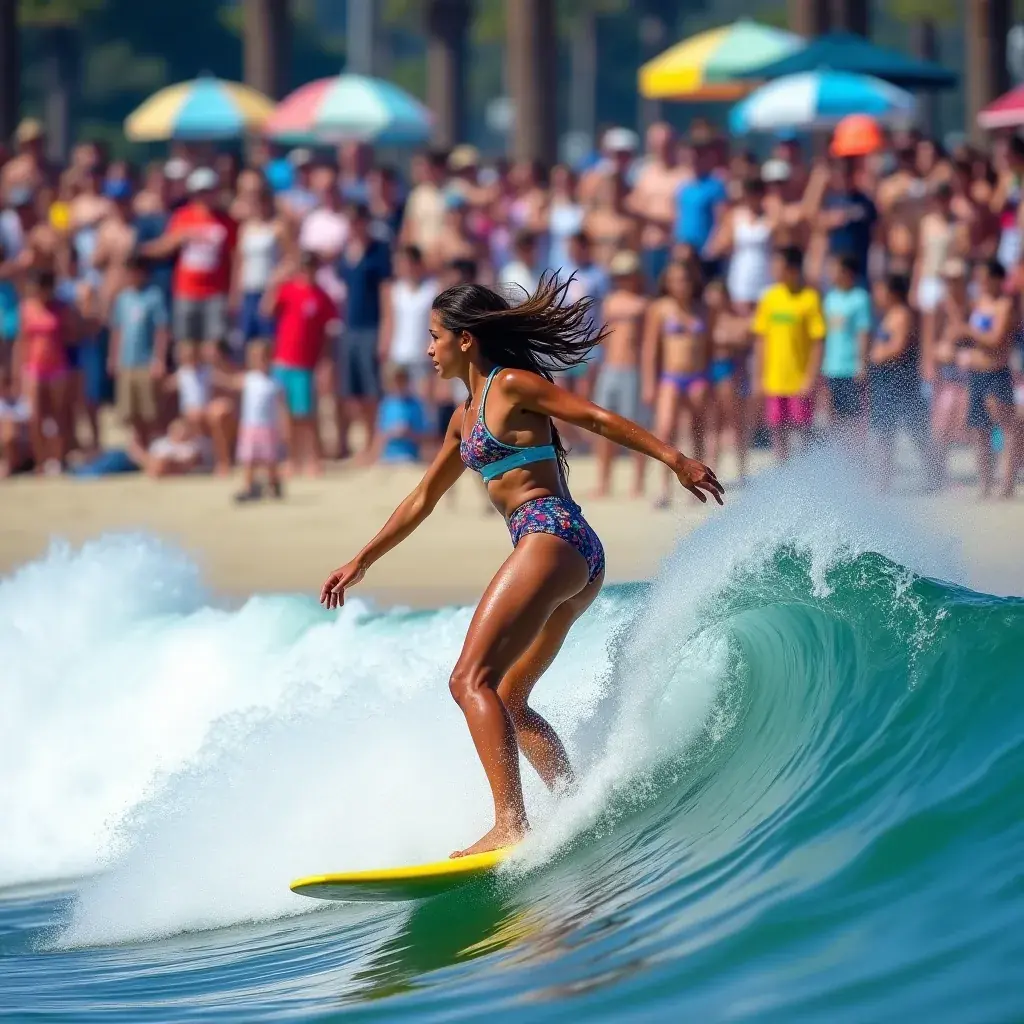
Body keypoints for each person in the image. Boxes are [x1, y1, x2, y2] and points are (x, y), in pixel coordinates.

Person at [319, 274, 724, 857]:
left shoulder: (511, 385)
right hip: (575, 552)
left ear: (466, 340)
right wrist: (362, 559)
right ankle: (575, 804)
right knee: (507, 698)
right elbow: (422, 500)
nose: (427, 350)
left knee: (468, 681)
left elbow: (597, 419)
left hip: (549, 535)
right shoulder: (463, 419)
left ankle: (510, 822)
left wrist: (676, 459)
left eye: (435, 337)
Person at [263, 250, 338, 475]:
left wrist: (325, 364)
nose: (307, 272)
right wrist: (274, 282)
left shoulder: (322, 297)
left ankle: (314, 458)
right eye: (304, 267)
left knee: (305, 414)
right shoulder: (287, 290)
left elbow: (328, 335)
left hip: (305, 364)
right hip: (283, 360)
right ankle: (293, 460)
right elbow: (267, 311)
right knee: (286, 416)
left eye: (311, 267)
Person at [644, 259, 711, 506]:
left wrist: (708, 378)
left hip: (696, 377)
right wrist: (649, 383)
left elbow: (709, 348)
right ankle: (664, 487)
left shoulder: (702, 309)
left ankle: (698, 480)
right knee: (665, 430)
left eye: (684, 280)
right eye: (674, 280)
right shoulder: (660, 309)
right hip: (670, 377)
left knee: (697, 430)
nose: (680, 285)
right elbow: (651, 349)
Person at [867, 274, 940, 492]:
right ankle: (884, 480)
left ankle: (936, 476)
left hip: (900, 382)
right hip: (886, 382)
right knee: (884, 433)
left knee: (917, 431)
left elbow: (899, 347)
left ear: (893, 292)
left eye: (881, 290)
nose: (877, 295)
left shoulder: (901, 315)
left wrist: (878, 355)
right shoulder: (887, 315)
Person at [752, 247, 826, 462]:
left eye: (780, 266)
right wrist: (759, 377)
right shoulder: (769, 298)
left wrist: (810, 378)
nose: (775, 270)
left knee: (802, 430)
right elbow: (761, 340)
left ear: (793, 269)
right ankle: (782, 472)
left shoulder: (809, 298)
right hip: (775, 379)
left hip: (799, 380)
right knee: (777, 430)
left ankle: (804, 474)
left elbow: (818, 342)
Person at [958, 259, 1020, 499]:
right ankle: (984, 485)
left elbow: (995, 339)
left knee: (1007, 428)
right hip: (977, 374)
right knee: (979, 429)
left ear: (996, 278)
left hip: (997, 374)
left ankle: (1006, 486)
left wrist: (968, 331)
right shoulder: (979, 303)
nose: (981, 282)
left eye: (985, 277)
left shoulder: (1004, 305)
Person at [337, 203, 392, 459]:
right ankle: (364, 441)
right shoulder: (347, 254)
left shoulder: (378, 252)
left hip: (371, 327)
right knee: (353, 392)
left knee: (372, 390)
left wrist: (385, 332)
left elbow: (385, 295)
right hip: (350, 327)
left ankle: (372, 444)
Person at [592, 251, 648, 497]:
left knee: (635, 427)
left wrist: (648, 378)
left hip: (632, 369)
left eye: (628, 275)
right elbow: (602, 338)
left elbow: (648, 343)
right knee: (603, 426)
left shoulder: (644, 304)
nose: (624, 279)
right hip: (610, 369)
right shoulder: (610, 302)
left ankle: (637, 482)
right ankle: (604, 481)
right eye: (620, 275)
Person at [13, 269, 76, 472]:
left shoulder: (60, 309)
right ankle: (40, 460)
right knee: (35, 417)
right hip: (34, 368)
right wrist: (18, 373)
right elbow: (21, 342)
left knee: (59, 415)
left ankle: (59, 458)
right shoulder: (26, 309)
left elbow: (70, 335)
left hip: (57, 367)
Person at [108, 255, 169, 450]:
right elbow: (117, 330)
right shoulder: (122, 299)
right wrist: (113, 357)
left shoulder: (154, 296)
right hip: (127, 361)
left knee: (149, 410)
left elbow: (161, 330)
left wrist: (159, 359)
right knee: (130, 411)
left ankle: (153, 446)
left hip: (146, 361)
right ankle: (139, 449)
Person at [215, 340, 285, 502]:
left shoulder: (274, 383)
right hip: (250, 427)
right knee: (248, 459)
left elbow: (282, 407)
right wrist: (217, 369)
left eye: (263, 357)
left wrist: (284, 426)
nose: (259, 361)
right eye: (255, 358)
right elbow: (229, 381)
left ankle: (274, 482)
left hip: (268, 427)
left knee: (270, 459)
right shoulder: (248, 379)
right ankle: (248, 486)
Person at [703, 277, 751, 481]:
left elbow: (744, 337)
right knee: (712, 422)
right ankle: (712, 467)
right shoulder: (706, 320)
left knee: (733, 420)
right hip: (710, 370)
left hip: (728, 370)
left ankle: (741, 469)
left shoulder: (734, 320)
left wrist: (726, 341)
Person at [822, 254, 872, 427]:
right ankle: (837, 452)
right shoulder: (829, 298)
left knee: (854, 417)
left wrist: (862, 364)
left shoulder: (860, 298)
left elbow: (863, 332)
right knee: (833, 417)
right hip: (831, 367)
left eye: (834, 268)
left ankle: (855, 453)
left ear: (846, 272)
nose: (830, 272)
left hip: (851, 368)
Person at [372, 363, 430, 464]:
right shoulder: (386, 404)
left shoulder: (416, 405)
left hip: (408, 457)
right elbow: (379, 435)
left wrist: (408, 433)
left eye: (401, 380)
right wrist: (391, 432)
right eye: (395, 381)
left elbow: (425, 437)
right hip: (387, 457)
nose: (398, 384)